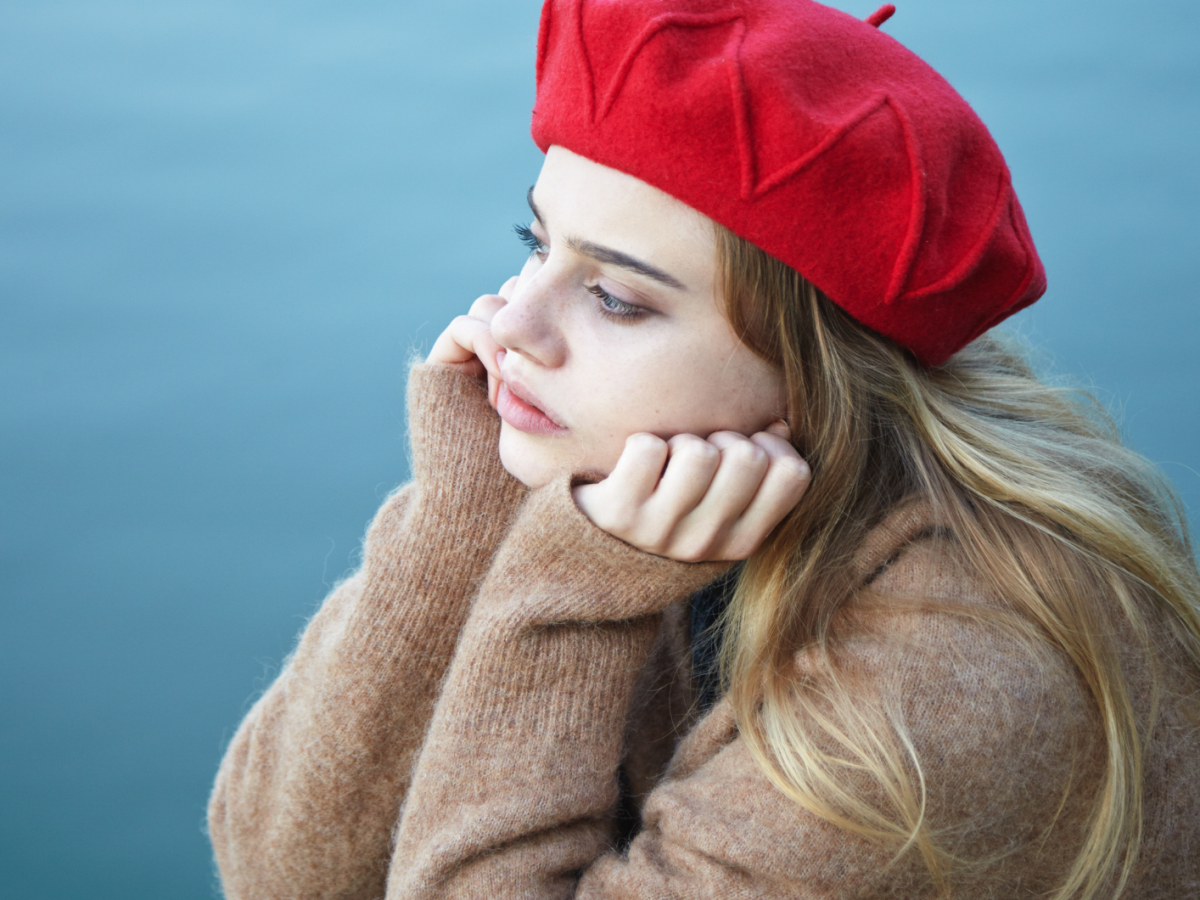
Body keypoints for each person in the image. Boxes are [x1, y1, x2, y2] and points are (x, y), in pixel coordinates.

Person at [207, 1, 1200, 897]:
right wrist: (457, 520)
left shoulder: (953, 674)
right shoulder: (618, 472)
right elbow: (280, 871)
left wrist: (564, 609)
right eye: (535, 242)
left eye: (615, 296)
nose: (511, 325)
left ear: (812, 377)